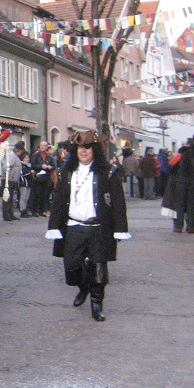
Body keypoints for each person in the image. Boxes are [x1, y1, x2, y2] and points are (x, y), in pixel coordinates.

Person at [46, 130, 129, 322]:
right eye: (80, 148)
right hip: (74, 227)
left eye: (88, 147)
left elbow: (118, 202)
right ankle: (83, 286)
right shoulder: (67, 172)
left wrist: (120, 228)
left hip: (99, 227)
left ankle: (96, 305)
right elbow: (59, 201)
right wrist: (54, 225)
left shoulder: (107, 172)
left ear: (95, 150)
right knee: (71, 269)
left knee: (99, 268)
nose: (83, 151)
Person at [30, 141, 56, 217]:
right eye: (41, 145)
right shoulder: (35, 155)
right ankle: (34, 211)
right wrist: (41, 166)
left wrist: (50, 167)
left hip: (46, 177)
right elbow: (33, 165)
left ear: (46, 147)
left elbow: (54, 166)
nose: (42, 147)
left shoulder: (49, 156)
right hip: (38, 177)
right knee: (36, 194)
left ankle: (42, 210)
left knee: (45, 195)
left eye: (43, 145)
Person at [0, 135, 21, 221]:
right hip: (8, 180)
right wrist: (9, 175)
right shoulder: (12, 156)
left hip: (12, 179)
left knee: (11, 198)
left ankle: (10, 214)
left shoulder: (13, 156)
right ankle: (6, 215)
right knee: (7, 198)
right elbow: (6, 167)